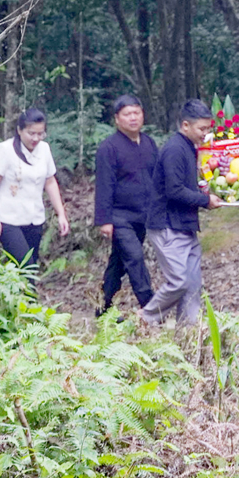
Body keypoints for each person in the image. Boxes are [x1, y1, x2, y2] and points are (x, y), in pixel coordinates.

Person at [140, 100, 223, 326]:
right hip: (167, 225)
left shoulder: (189, 147)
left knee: (193, 285)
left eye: (208, 129)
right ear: (186, 125)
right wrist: (205, 200)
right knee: (179, 282)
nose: (206, 134)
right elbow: (174, 190)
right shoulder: (174, 149)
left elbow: (187, 184)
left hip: (185, 224)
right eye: (202, 129)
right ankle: (147, 317)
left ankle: (189, 335)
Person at [0, 108, 69, 275]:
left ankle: (17, 299)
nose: (36, 138)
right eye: (31, 134)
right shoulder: (4, 150)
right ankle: (31, 301)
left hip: (34, 218)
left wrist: (61, 214)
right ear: (19, 130)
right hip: (8, 218)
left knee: (30, 265)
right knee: (25, 266)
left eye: (40, 134)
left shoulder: (44, 149)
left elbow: (50, 181)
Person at [95, 95, 158, 314]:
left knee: (118, 263)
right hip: (119, 216)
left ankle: (103, 307)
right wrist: (104, 220)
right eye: (127, 114)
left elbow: (157, 177)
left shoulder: (149, 143)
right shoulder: (109, 147)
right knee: (134, 257)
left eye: (136, 113)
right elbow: (104, 185)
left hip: (143, 214)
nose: (133, 118)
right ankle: (151, 307)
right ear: (117, 119)